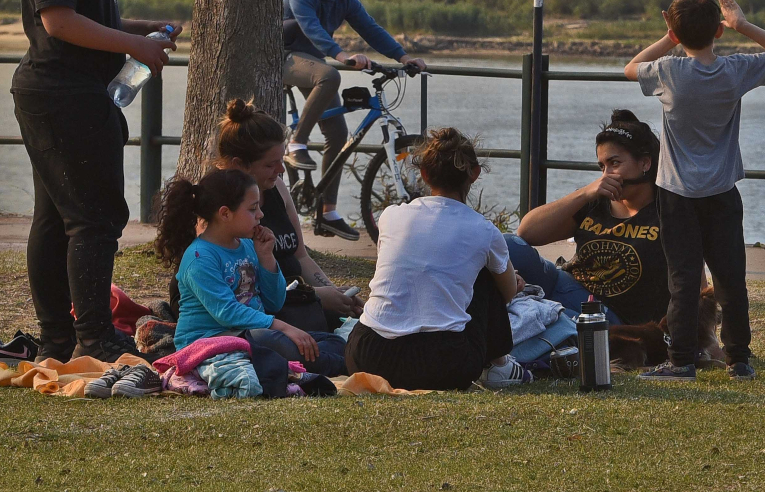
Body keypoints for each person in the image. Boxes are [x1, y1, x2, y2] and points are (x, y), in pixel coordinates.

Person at [11, 0, 182, 363]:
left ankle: (58, 342)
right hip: (63, 94)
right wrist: (134, 44)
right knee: (96, 217)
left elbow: (86, 17)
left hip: (73, 93)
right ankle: (89, 338)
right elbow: (57, 22)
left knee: (57, 218)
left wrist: (139, 27)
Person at [625, 0, 765, 382]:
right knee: (730, 277)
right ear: (719, 29)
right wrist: (743, 25)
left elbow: (631, 67)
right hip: (721, 192)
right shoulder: (735, 70)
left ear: (675, 29)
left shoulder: (668, 71)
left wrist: (670, 37)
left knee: (683, 278)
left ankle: (681, 360)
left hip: (676, 193)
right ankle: (739, 360)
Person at [345, 128, 530, 391]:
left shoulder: (390, 216)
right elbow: (508, 292)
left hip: (367, 354)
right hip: (443, 363)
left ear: (424, 174)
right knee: (486, 273)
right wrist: (510, 279)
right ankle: (499, 366)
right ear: (474, 174)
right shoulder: (483, 230)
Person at [282, 0, 427, 240]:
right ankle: (296, 144)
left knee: (337, 134)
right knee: (330, 76)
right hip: (283, 56)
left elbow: (369, 27)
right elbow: (312, 29)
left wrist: (403, 57)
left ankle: (327, 212)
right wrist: (341, 56)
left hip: (313, 60)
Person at [155, 169, 347, 376]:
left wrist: (266, 258)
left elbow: (274, 302)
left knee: (331, 340)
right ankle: (343, 365)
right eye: (253, 209)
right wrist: (281, 327)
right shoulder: (200, 257)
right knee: (274, 340)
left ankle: (334, 360)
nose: (260, 215)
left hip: (250, 333)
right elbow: (226, 313)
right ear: (225, 214)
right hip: (210, 340)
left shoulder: (247, 246)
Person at [204, 98, 364, 330]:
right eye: (271, 165)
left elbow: (300, 257)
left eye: (281, 161)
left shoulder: (276, 186)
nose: (280, 171)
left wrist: (336, 294)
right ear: (239, 164)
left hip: (299, 298)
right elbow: (239, 287)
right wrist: (316, 295)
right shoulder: (220, 205)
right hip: (260, 308)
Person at [506, 110, 670, 326]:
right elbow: (526, 233)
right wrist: (584, 193)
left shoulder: (667, 212)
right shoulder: (596, 202)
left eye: (615, 163)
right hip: (564, 284)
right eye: (602, 166)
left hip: (612, 317)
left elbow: (692, 279)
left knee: (558, 322)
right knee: (506, 245)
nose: (606, 175)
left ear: (645, 164)